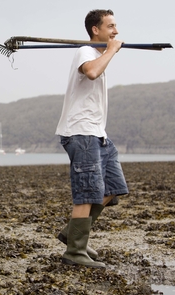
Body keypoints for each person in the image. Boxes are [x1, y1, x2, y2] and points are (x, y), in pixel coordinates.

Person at [55, 9, 129, 268]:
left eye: (116, 26)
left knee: (112, 188)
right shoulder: (87, 51)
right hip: (81, 132)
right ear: (95, 30)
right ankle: (75, 252)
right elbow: (91, 73)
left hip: (98, 134)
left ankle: (72, 234)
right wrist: (110, 50)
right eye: (110, 26)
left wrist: (107, 51)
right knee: (86, 194)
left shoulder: (98, 54)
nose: (116, 31)